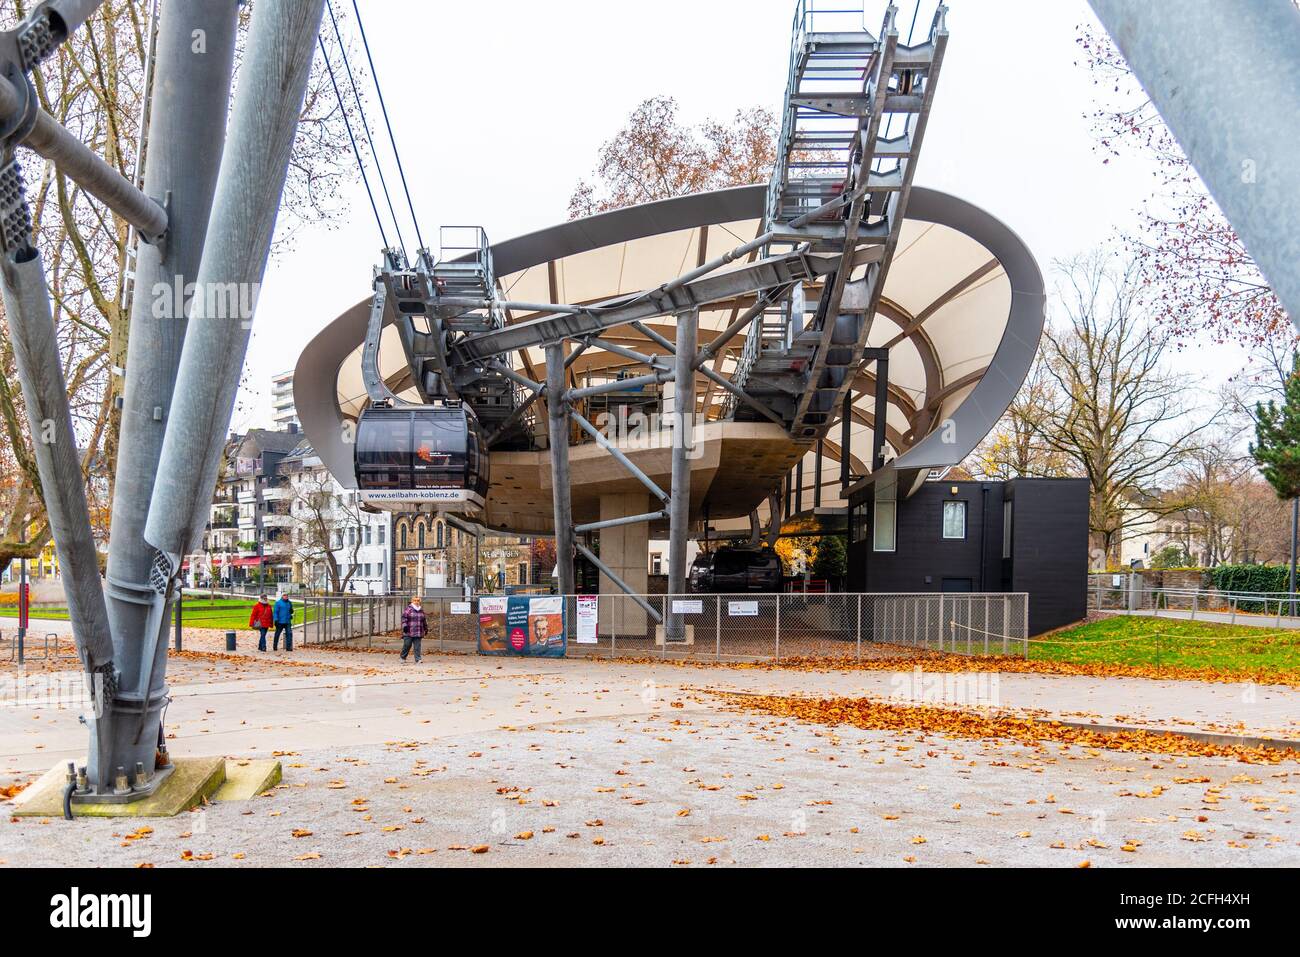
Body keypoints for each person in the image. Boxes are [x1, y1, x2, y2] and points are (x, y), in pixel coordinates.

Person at [400, 595, 427, 664]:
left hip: (418, 631)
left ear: (419, 601)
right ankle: (403, 657)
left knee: (417, 646)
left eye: (418, 600)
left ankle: (418, 659)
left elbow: (424, 620)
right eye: (415, 600)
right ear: (412, 601)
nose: (416, 602)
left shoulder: (421, 610)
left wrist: (425, 628)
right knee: (407, 645)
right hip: (409, 631)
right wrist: (404, 626)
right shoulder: (408, 609)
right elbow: (404, 618)